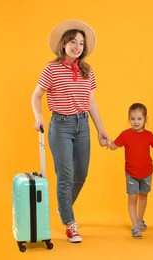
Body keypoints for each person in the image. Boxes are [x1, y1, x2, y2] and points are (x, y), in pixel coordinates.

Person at [31, 20, 110, 243]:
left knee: (81, 174)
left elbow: (91, 101)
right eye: (73, 42)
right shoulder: (52, 69)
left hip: (82, 125)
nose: (77, 46)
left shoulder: (87, 70)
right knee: (65, 176)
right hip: (60, 126)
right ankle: (70, 223)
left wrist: (100, 130)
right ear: (64, 44)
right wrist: (39, 117)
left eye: (81, 43)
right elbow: (36, 95)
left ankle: (63, 206)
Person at [108, 103, 153, 239]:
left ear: (145, 119)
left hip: (147, 172)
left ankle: (139, 220)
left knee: (143, 196)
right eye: (133, 119)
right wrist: (108, 142)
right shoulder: (125, 134)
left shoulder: (149, 135)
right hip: (131, 173)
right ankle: (135, 225)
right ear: (129, 119)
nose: (136, 122)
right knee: (132, 198)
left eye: (139, 119)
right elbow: (114, 146)